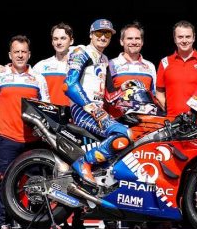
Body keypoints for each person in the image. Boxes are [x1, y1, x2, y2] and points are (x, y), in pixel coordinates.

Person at [0, 35, 50, 229]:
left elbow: (45, 108)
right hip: (7, 137)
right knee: (4, 181)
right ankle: (4, 222)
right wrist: (3, 121)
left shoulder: (39, 79)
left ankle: (36, 222)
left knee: (37, 183)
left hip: (33, 140)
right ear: (10, 54)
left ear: (29, 54)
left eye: (24, 52)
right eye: (17, 52)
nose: (20, 55)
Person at [64, 19, 131, 186]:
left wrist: (124, 89)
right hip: (82, 110)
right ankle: (84, 162)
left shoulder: (104, 59)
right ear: (91, 35)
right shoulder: (81, 52)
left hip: (97, 111)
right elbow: (69, 84)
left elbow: (108, 96)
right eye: (99, 33)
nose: (103, 37)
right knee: (124, 134)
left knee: (131, 133)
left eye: (107, 33)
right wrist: (91, 108)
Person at [156, 20, 197, 118]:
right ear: (174, 39)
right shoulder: (165, 62)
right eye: (180, 37)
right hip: (171, 121)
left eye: (188, 37)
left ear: (194, 37)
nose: (184, 40)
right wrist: (167, 112)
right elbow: (159, 92)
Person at [106, 21, 156, 95]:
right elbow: (106, 96)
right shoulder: (110, 64)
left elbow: (155, 95)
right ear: (121, 42)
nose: (134, 42)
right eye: (129, 38)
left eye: (137, 38)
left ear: (142, 42)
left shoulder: (150, 66)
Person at [34, 23, 74, 106]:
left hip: (75, 113)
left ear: (71, 41)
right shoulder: (40, 66)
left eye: (63, 38)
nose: (59, 42)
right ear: (52, 42)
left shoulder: (80, 65)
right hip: (49, 113)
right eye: (55, 39)